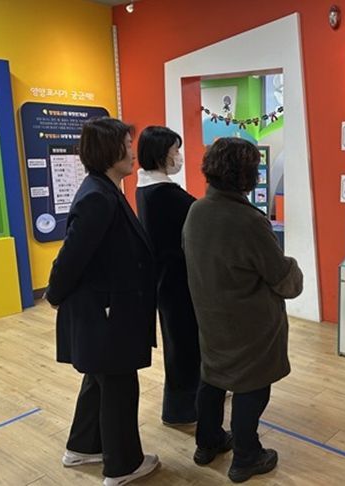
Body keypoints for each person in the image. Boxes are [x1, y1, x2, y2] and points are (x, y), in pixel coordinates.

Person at [45, 117, 159, 485]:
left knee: (100, 380)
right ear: (108, 151)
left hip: (107, 308)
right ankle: (123, 466)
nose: (132, 152)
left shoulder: (105, 190)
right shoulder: (98, 196)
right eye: (126, 145)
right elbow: (72, 256)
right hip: (106, 311)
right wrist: (54, 294)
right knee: (119, 386)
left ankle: (83, 446)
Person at [183, 137, 303, 483]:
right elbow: (283, 279)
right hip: (250, 324)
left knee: (212, 379)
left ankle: (207, 443)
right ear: (246, 174)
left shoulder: (196, 211)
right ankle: (247, 457)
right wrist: (294, 267)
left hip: (210, 316)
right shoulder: (248, 220)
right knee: (252, 385)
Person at [135, 126, 201, 426]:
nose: (179, 156)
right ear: (162, 154)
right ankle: (180, 409)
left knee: (179, 341)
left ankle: (187, 401)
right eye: (176, 150)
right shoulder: (165, 193)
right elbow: (199, 214)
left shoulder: (144, 187)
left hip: (164, 277)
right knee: (184, 345)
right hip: (177, 279)